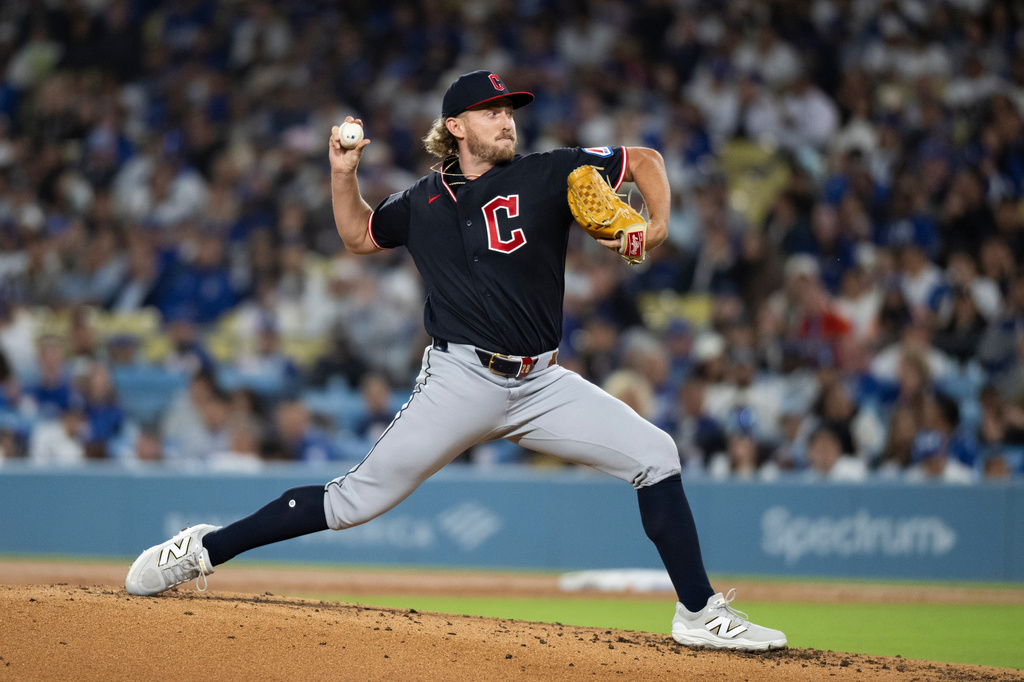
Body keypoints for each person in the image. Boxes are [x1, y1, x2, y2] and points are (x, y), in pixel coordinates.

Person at [125, 70, 786, 652]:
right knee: (353, 501)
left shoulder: (550, 170)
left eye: (510, 111)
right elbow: (357, 235)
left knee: (656, 454)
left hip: (542, 383)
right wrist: (342, 174)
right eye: (492, 111)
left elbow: (644, 159)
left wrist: (658, 225)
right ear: (457, 126)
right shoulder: (421, 202)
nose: (507, 120)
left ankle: (698, 612)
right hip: (461, 379)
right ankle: (203, 549)